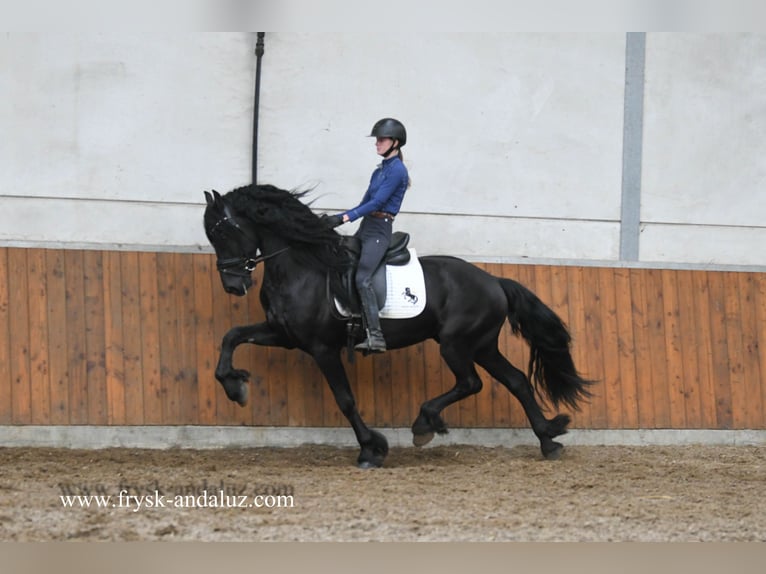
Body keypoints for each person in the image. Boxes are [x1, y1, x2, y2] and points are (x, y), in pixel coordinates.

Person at [324, 118, 410, 353]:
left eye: (381, 140)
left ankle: (376, 335)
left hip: (380, 230)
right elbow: (364, 202)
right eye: (377, 140)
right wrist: (337, 217)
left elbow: (378, 202)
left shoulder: (398, 171)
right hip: (366, 228)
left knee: (363, 278)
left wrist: (343, 218)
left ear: (395, 142)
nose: (377, 144)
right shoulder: (379, 171)